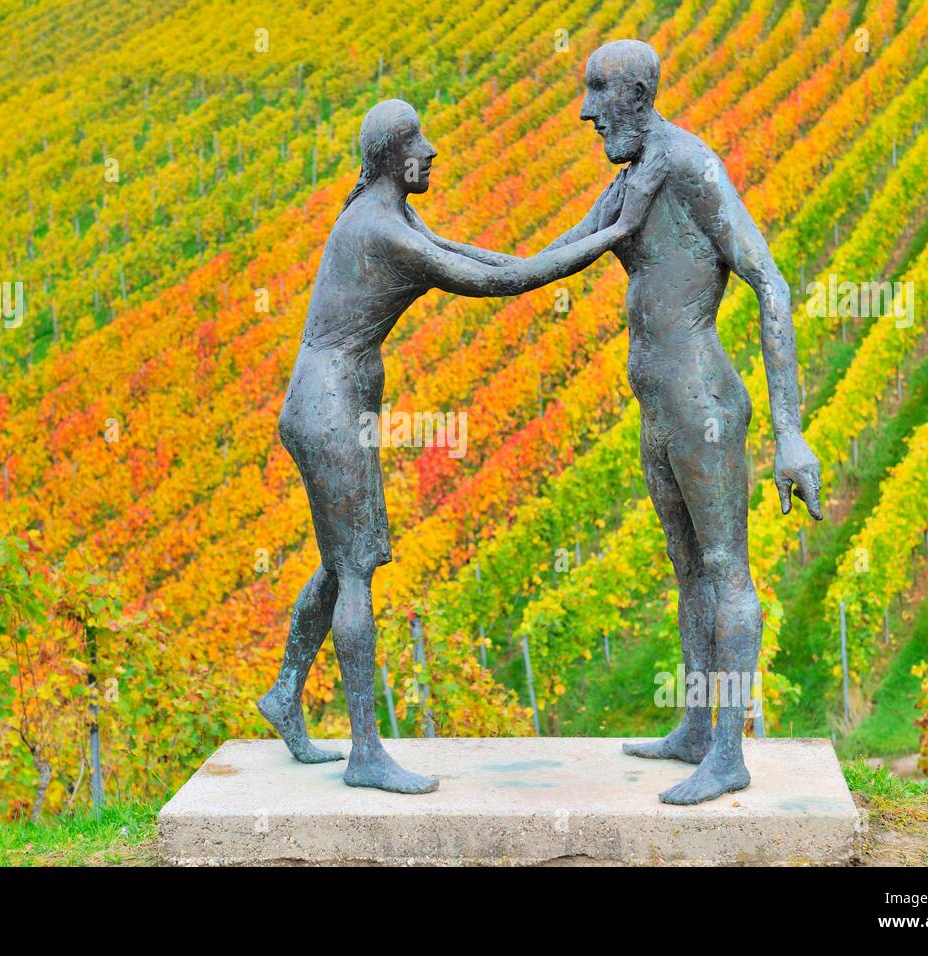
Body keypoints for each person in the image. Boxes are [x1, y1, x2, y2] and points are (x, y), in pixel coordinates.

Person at [258, 98, 658, 794]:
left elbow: (486, 257)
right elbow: (498, 281)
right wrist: (612, 234)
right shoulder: (384, 230)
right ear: (391, 156)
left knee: (336, 563)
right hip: (329, 410)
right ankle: (364, 752)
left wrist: (586, 235)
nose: (433, 150)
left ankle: (286, 694)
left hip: (324, 405)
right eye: (418, 140)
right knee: (355, 571)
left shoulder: (390, 216)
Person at [544, 40, 823, 804]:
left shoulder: (692, 164)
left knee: (726, 568)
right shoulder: (635, 175)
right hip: (659, 409)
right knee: (688, 571)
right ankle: (697, 729)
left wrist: (790, 429)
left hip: (703, 407)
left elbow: (772, 284)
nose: (586, 111)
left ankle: (728, 753)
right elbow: (552, 260)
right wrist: (425, 257)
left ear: (636, 93)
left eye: (600, 94)